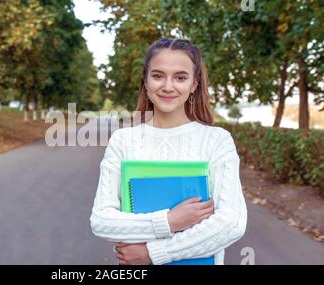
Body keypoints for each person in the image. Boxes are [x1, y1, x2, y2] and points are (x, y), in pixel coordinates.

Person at [90, 38, 247, 265]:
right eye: (158, 75)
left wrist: (153, 253)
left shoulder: (216, 140)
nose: (168, 86)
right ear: (145, 81)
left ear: (194, 84)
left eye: (180, 77)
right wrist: (170, 221)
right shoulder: (123, 141)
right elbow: (102, 220)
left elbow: (231, 223)